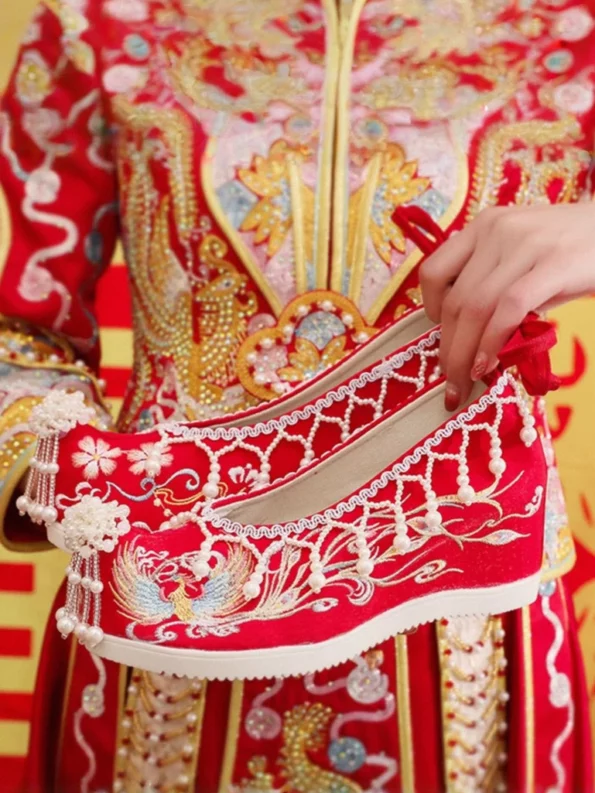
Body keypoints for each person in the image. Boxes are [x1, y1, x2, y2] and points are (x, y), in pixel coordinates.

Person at [0, 1, 593, 791]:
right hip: (167, 600)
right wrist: (89, 491)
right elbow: (19, 336)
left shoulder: (570, 31)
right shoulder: (101, 24)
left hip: (465, 622)